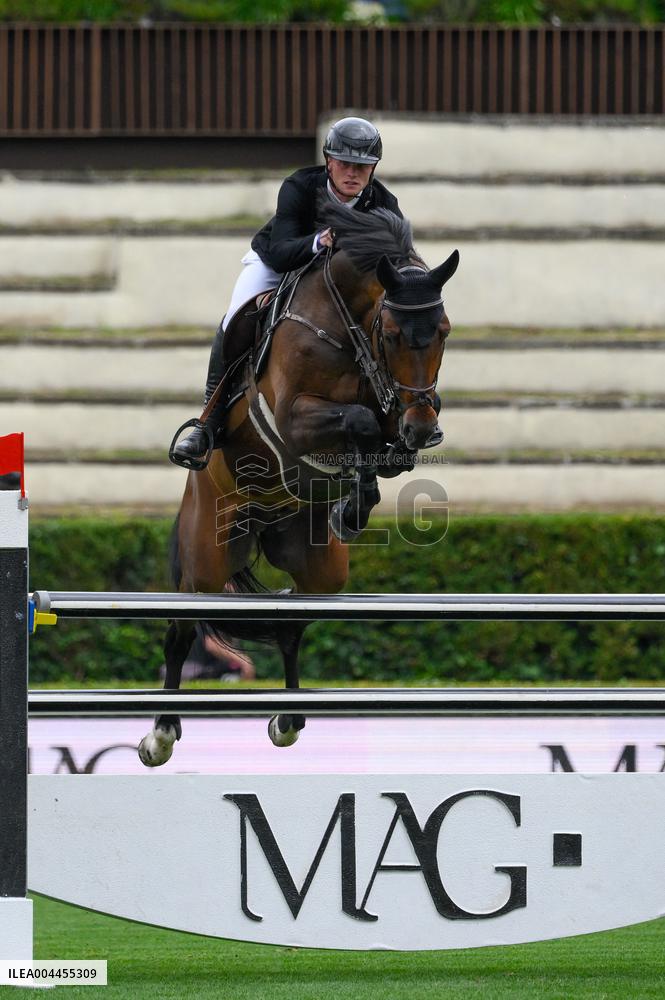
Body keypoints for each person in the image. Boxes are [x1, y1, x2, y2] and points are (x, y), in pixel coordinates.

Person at [171, 116, 402, 467]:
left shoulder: (383, 202)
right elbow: (280, 252)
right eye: (344, 163)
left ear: (373, 168)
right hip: (279, 264)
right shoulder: (300, 186)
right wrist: (319, 241)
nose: (352, 173)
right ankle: (208, 424)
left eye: (362, 166)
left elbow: (397, 259)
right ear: (329, 161)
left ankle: (402, 413)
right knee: (235, 318)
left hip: (338, 283)